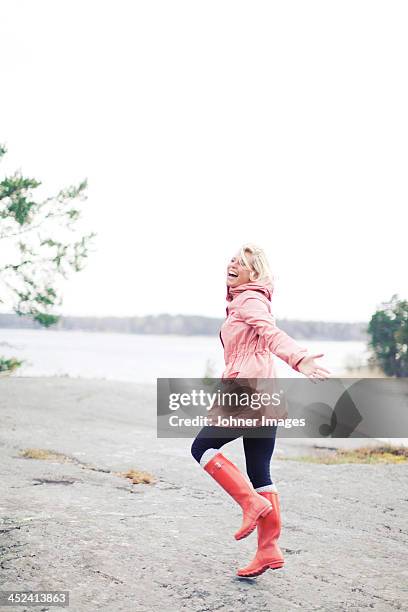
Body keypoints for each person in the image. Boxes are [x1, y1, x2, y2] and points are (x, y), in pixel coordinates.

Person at [190, 243, 330, 577]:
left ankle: (250, 503)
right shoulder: (247, 299)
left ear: (255, 272)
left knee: (202, 447)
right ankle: (268, 549)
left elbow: (270, 333)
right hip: (263, 391)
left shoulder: (249, 299)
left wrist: (299, 358)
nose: (233, 264)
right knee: (259, 470)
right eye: (232, 259)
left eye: (243, 262)